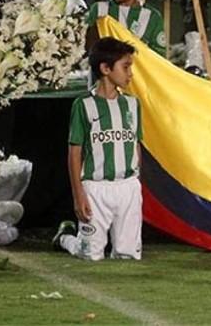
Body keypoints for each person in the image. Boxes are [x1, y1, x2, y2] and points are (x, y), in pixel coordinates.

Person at [53, 37, 143, 261]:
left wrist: (136, 184)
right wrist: (78, 195)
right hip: (96, 188)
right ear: (105, 68)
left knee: (127, 256)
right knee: (90, 255)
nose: (130, 73)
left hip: (127, 187)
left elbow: (136, 144)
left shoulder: (133, 104)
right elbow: (75, 152)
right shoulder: (83, 105)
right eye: (125, 67)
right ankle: (66, 237)